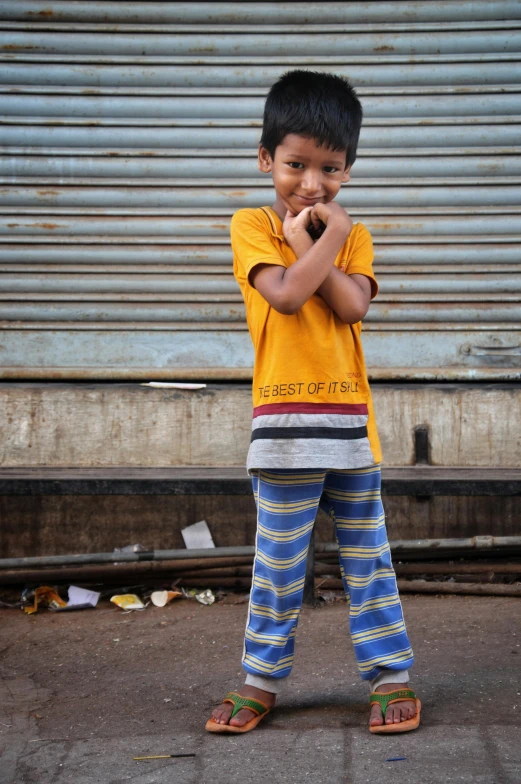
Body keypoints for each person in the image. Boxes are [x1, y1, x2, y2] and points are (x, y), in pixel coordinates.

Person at [205, 70, 421, 735]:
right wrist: (315, 238)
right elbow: (289, 295)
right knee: (276, 565)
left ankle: (390, 677)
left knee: (368, 560)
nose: (310, 183)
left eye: (329, 168)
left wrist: (322, 239)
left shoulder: (354, 237)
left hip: (351, 431)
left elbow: (352, 303)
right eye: (295, 164)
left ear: (348, 169)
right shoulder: (252, 225)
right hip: (283, 431)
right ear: (265, 157)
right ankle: (260, 680)